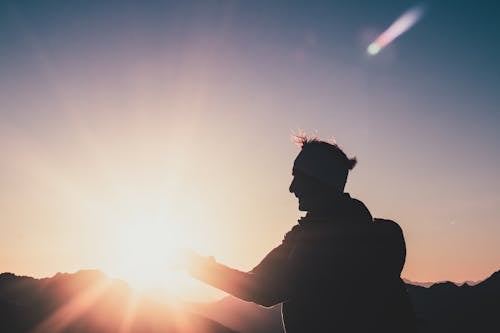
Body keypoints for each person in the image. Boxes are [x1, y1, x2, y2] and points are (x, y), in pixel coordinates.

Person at [184, 135, 417, 332]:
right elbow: (258, 279)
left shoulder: (322, 243)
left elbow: (262, 289)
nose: (292, 187)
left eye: (298, 177)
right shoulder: (365, 232)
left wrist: (195, 266)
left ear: (319, 182)